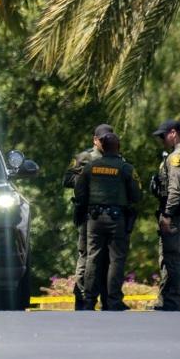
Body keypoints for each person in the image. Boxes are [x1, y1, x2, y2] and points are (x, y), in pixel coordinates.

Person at [74, 133, 141, 311]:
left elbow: (79, 193)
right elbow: (136, 195)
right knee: (116, 260)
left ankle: (88, 300)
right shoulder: (126, 168)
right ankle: (113, 301)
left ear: (102, 147)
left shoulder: (90, 167)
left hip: (94, 219)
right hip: (116, 219)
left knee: (93, 258)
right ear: (118, 147)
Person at [63, 124, 113, 310]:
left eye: (108, 138)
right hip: (88, 214)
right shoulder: (84, 158)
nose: (105, 142)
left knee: (109, 257)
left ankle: (108, 299)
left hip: (109, 216)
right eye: (102, 139)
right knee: (86, 255)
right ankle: (83, 297)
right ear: (95, 140)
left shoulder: (116, 158)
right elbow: (67, 179)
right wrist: (87, 178)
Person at [150, 119, 180, 311]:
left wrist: (167, 215)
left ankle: (172, 300)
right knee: (167, 256)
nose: (161, 140)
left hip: (174, 213)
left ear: (173, 133)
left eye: (163, 136)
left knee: (173, 257)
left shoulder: (177, 157)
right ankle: (166, 299)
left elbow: (175, 190)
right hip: (177, 211)